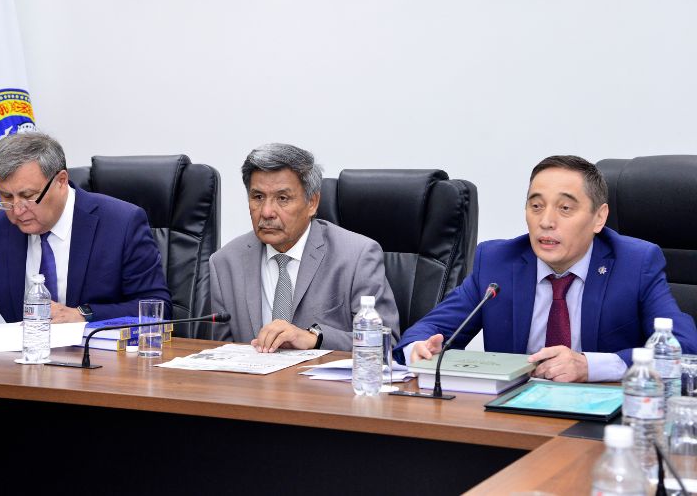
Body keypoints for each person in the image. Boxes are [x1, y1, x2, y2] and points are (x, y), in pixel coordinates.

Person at [395, 155, 697, 382]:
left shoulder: (635, 263)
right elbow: (424, 332)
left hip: (600, 421)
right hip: (513, 418)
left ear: (599, 218)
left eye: (565, 208)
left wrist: (590, 366)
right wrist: (419, 349)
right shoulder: (498, 262)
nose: (546, 221)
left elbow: (683, 349)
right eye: (536, 206)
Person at [0, 132, 170, 334]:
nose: (17, 210)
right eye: (6, 197)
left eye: (28, 196)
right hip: (23, 368)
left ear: (61, 181)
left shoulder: (121, 223)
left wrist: (82, 315)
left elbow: (157, 308)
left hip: (102, 368)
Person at [210, 143, 400, 352]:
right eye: (258, 197)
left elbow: (386, 343)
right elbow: (219, 352)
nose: (266, 212)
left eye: (282, 198)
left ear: (312, 203)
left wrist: (315, 338)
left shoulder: (357, 256)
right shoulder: (225, 263)